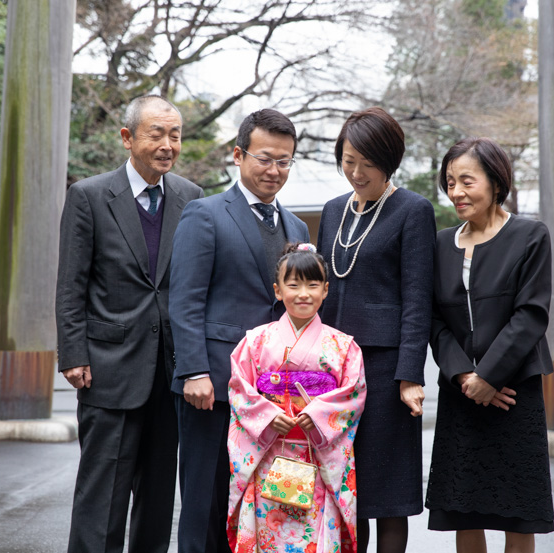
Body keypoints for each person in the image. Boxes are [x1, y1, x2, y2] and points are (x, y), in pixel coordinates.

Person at [55, 95, 204, 553]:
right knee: (103, 498)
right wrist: (74, 353)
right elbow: (71, 283)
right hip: (108, 368)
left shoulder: (191, 197)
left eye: (175, 135)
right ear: (127, 138)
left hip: (169, 373)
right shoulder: (89, 196)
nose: (167, 144)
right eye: (156, 133)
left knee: (159, 499)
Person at [169, 109, 311, 553]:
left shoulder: (298, 227)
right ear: (238, 154)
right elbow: (185, 299)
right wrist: (193, 371)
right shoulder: (205, 214)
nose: (274, 170)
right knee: (206, 500)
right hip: (214, 385)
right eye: (265, 158)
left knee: (270, 502)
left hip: (276, 393)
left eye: (284, 161)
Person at [426, 137, 554, 553]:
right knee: (467, 510)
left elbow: (530, 314)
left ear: (496, 182)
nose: (456, 192)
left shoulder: (530, 235)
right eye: (450, 182)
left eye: (467, 181)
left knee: (518, 513)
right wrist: (466, 376)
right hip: (462, 392)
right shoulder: (442, 243)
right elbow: (434, 320)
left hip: (514, 393)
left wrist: (490, 376)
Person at [316, 107, 436, 553]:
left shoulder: (412, 210)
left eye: (367, 162)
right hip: (332, 369)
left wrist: (410, 375)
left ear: (389, 160)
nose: (356, 172)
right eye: (348, 160)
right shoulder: (332, 211)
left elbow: (417, 299)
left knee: (385, 492)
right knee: (342, 484)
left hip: (385, 371)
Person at [226, 243, 366, 553]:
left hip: (317, 452)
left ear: (326, 290)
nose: (303, 293)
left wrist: (317, 416)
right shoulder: (255, 341)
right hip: (270, 450)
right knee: (268, 529)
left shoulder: (343, 346)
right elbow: (239, 388)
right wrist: (265, 414)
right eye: (293, 285)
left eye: (312, 284)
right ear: (278, 291)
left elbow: (353, 393)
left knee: (315, 530)